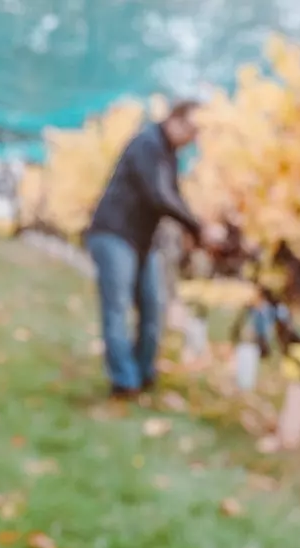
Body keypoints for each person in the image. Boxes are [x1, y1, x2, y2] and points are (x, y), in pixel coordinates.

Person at [85, 101, 225, 399]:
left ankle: (143, 373)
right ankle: (125, 381)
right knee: (118, 308)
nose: (192, 138)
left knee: (153, 305)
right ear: (174, 120)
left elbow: (172, 196)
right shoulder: (148, 144)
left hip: (141, 240)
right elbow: (160, 195)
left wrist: (194, 231)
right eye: (190, 129)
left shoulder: (169, 154)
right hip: (114, 234)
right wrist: (198, 228)